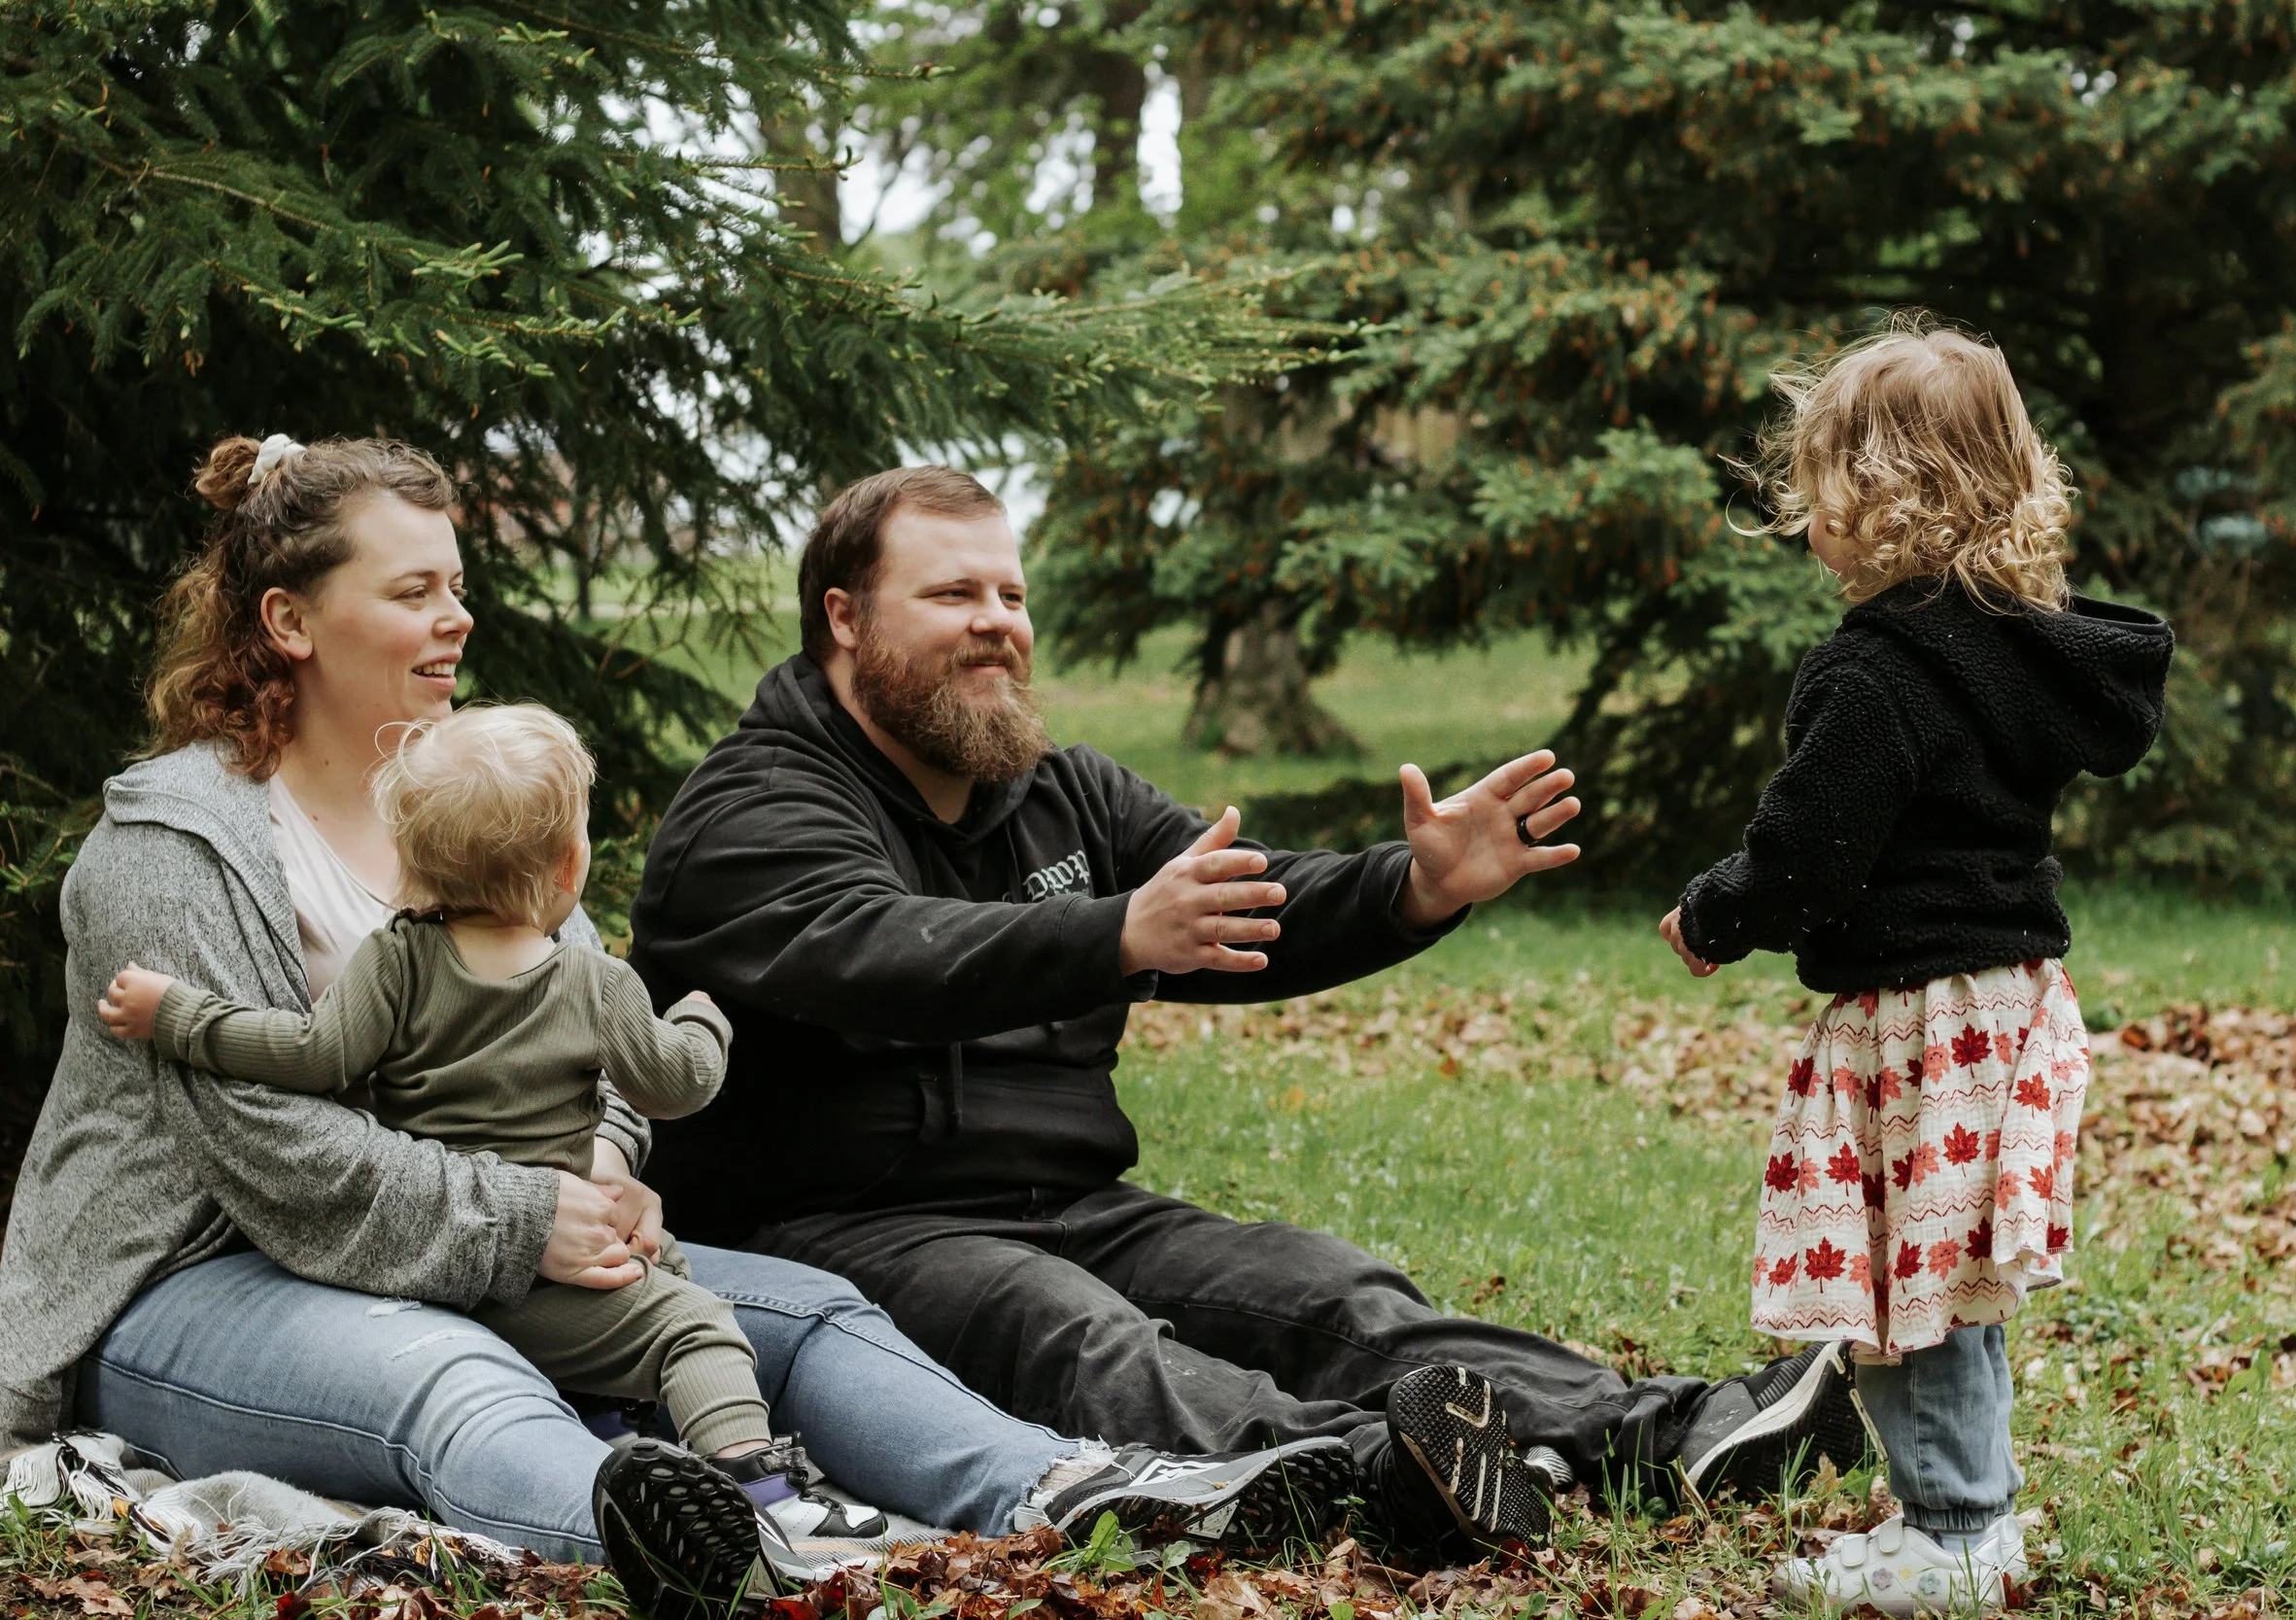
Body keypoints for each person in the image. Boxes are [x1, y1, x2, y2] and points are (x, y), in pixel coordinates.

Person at [0, 433, 1341, 1611]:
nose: (457, 618)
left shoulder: (475, 796)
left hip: (476, 1236)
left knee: (807, 1311)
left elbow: (600, 1026)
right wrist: (533, 1216)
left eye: (457, 583)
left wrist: (599, 1158)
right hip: (200, 1275)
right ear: (290, 621)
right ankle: (734, 1548)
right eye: (414, 591)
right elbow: (273, 1150)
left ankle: (1078, 1488)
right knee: (454, 1370)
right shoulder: (173, 846)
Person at [627, 465, 1872, 1561]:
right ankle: (1390, 1470)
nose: (998, 625)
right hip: (842, 1229)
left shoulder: (1060, 793)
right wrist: (1115, 931)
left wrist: (1411, 885)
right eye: (953, 596)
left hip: (1072, 1201)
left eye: (1010, 596)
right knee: (1077, 1335)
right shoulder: (756, 805)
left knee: (1317, 1286)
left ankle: (1667, 1433)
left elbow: (1238, 899)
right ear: (843, 618)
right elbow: (879, 951)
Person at [93, 701, 894, 1550]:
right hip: (536, 1276)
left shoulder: (395, 958)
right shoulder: (595, 983)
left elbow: (305, 1052)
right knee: (692, 1322)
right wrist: (705, 1020)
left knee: (659, 1264)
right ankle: (761, 1490)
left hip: (433, 1265)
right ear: (568, 866)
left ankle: (608, 1426)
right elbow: (676, 1086)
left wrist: (177, 1012)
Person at [1657, 322, 2171, 1614]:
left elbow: (1808, 853)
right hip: (2008, 1005)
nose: (1802, 507)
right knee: (1961, 1272)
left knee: (1907, 1283)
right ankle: (1975, 1504)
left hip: (1920, 1017)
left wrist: (1715, 914)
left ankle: (1950, 1531)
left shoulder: (1878, 674)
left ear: (1882, 494)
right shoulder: (2019, 647)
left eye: (1820, 476)